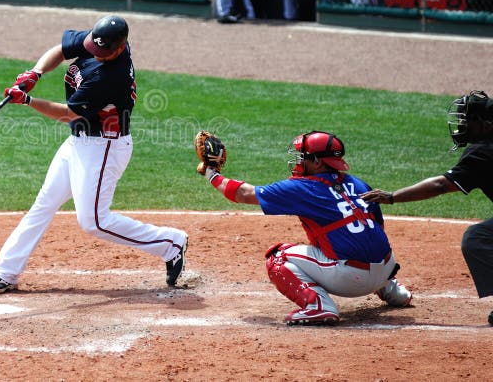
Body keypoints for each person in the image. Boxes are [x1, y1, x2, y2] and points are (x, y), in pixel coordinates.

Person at [0, 15, 189, 295]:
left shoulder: (110, 77)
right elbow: (60, 50)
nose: (95, 54)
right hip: (78, 142)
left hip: (104, 147)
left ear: (119, 48)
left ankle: (170, 243)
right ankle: (5, 272)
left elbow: (67, 114)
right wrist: (35, 73)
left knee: (94, 222)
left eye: (102, 52)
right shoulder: (99, 40)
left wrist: (28, 100)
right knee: (44, 203)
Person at [199, 130, 412, 325]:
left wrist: (211, 173)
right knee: (358, 232)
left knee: (278, 257)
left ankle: (318, 305)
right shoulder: (358, 184)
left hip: (351, 279)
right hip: (386, 268)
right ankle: (392, 290)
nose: (299, 161)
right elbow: (378, 226)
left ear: (317, 162)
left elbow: (244, 194)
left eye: (304, 156)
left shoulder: (303, 187)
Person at [361, 90, 493, 326]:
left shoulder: (483, 152)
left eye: (467, 120)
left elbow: (442, 184)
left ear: (485, 124)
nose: (460, 126)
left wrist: (392, 197)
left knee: (478, 238)